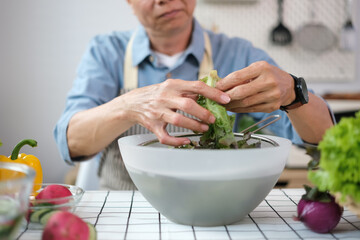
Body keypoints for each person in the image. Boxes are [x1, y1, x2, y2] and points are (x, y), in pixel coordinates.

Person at [54, 0, 334, 190]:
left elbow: (324, 141)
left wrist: (294, 92)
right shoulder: (106, 52)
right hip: (126, 207)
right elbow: (71, 142)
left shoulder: (238, 53)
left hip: (213, 208)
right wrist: (130, 105)